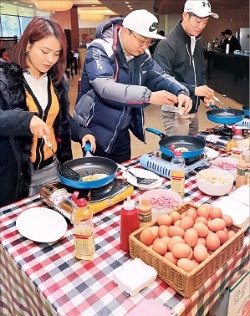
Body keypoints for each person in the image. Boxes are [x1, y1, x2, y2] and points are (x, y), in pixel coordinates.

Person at [74, 9, 192, 164]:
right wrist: (149, 96)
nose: (144, 46)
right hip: (95, 128)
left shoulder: (142, 55)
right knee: (99, 178)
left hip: (121, 128)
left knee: (123, 174)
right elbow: (105, 87)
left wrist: (181, 91)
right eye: (141, 40)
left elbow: (160, 76)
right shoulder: (99, 49)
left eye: (149, 42)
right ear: (125, 31)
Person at [0, 17, 96, 207]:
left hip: (53, 169)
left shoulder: (55, 81)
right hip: (17, 175)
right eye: (44, 51)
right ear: (28, 44)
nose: (50, 59)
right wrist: (25, 120)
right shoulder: (5, 79)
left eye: (56, 54)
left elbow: (59, 118)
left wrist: (82, 132)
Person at [154, 0, 217, 136]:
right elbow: (162, 82)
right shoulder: (167, 44)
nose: (201, 26)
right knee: (180, 152)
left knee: (194, 151)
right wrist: (194, 90)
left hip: (193, 108)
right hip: (176, 109)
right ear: (185, 15)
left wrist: (204, 94)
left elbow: (200, 73)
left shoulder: (197, 42)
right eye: (197, 21)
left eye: (205, 22)